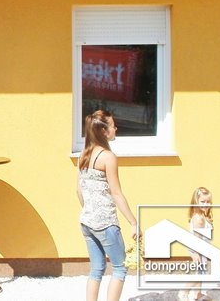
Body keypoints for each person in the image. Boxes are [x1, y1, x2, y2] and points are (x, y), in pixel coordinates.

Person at [76, 110, 139, 301]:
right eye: (112, 125)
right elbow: (116, 193)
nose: (116, 128)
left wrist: (89, 210)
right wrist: (133, 222)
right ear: (103, 131)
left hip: (87, 222)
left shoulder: (83, 155)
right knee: (120, 268)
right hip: (105, 223)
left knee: (96, 269)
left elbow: (78, 191)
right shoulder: (108, 157)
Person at [180, 187, 214, 301]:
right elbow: (195, 239)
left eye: (208, 201)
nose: (206, 204)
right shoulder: (199, 218)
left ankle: (197, 294)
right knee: (200, 273)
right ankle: (183, 292)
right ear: (196, 201)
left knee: (200, 272)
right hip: (198, 250)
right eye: (202, 201)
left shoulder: (202, 215)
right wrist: (195, 253)